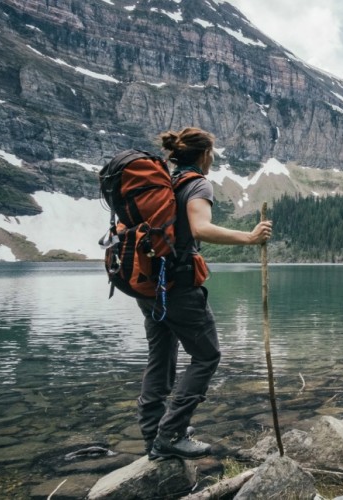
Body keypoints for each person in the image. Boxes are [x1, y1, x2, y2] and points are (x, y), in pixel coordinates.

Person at [137, 127, 273, 460]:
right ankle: (170, 434)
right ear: (204, 155)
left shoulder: (165, 183)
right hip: (180, 288)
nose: (213, 158)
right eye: (212, 153)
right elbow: (200, 228)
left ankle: (154, 432)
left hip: (149, 285)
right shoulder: (197, 183)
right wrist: (250, 238)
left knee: (161, 357)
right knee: (207, 356)